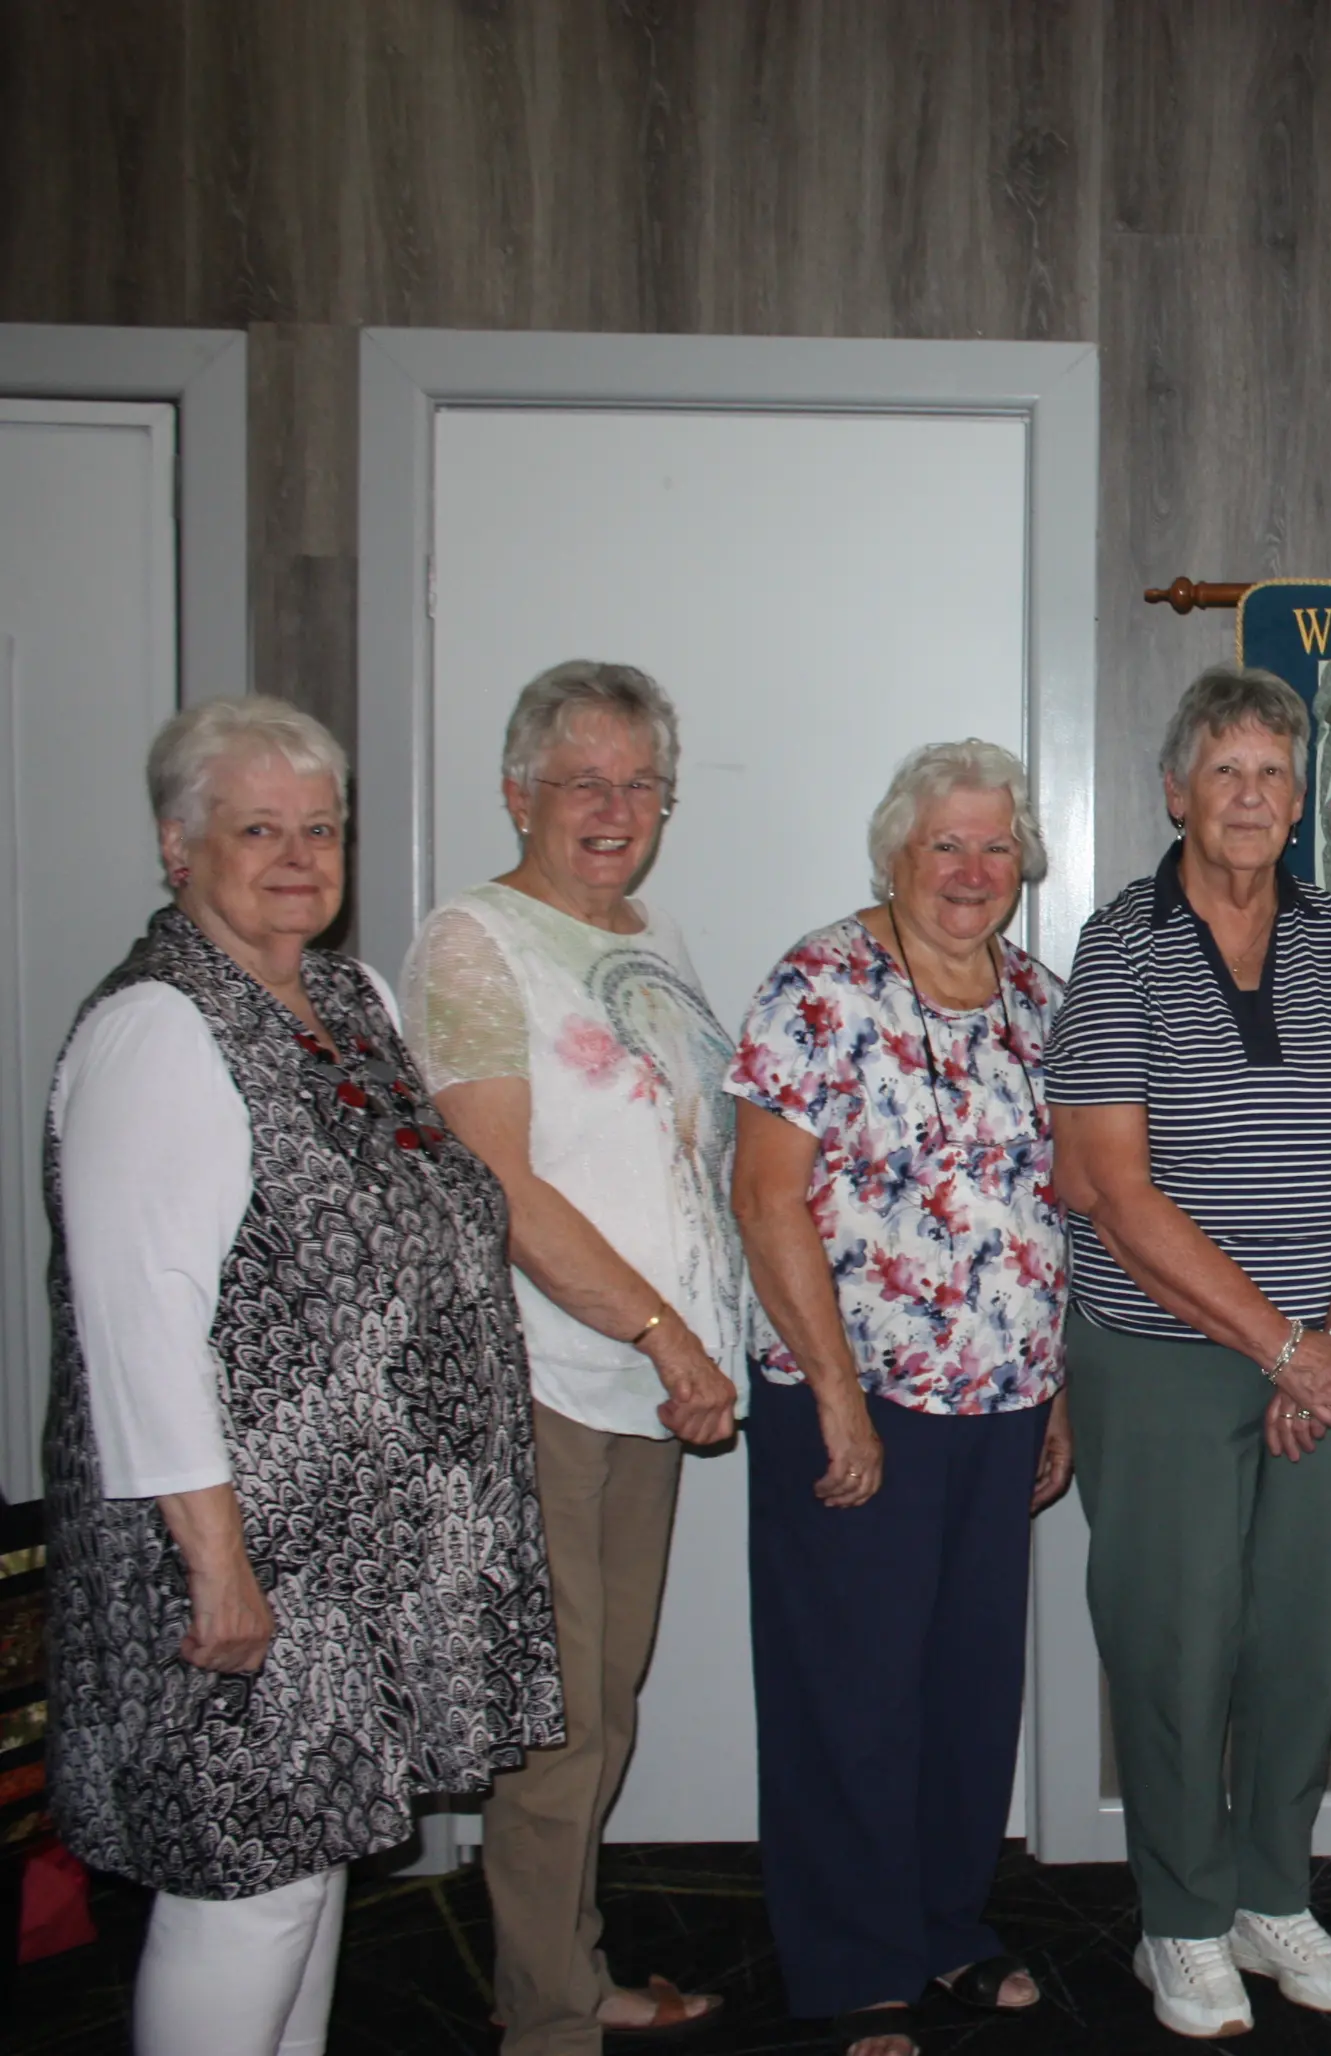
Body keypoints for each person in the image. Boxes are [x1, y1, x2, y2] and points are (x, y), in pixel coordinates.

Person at [45, 697, 559, 2056]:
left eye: (318, 829)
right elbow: (139, 1322)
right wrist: (215, 1562)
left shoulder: (347, 997)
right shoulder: (162, 1028)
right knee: (249, 1886)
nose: (295, 856)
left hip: (348, 1555)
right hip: (234, 1544)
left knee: (307, 1871)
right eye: (255, 828)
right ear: (178, 846)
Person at [1049, 668, 1331, 2038]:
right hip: (1164, 1360)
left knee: (1292, 1646)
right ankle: (1181, 1920)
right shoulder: (1117, 949)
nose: (1254, 798)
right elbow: (1110, 1188)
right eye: (1227, 773)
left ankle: (1273, 1891)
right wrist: (1281, 1345)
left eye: (1274, 774)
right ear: (1175, 793)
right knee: (1175, 1642)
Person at [403, 661, 741, 2053]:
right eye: (582, 780)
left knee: (601, 1709)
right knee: (556, 1726)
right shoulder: (475, 944)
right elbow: (503, 1186)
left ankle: (570, 1970)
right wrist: (662, 1328)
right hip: (545, 1383)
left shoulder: (648, 934)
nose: (615, 807)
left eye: (639, 782)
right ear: (516, 791)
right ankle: (544, 2017)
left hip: (644, 1397)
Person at [729, 740, 1076, 2056]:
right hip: (852, 1395)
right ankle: (852, 1960)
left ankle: (946, 1926)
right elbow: (766, 1198)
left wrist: (1056, 1394)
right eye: (948, 846)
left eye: (996, 849)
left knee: (967, 1686)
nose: (973, 872)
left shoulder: (1038, 1003)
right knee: (851, 1689)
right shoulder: (820, 984)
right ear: (895, 854)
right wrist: (834, 1396)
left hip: (1000, 1405)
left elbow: (1053, 1217)